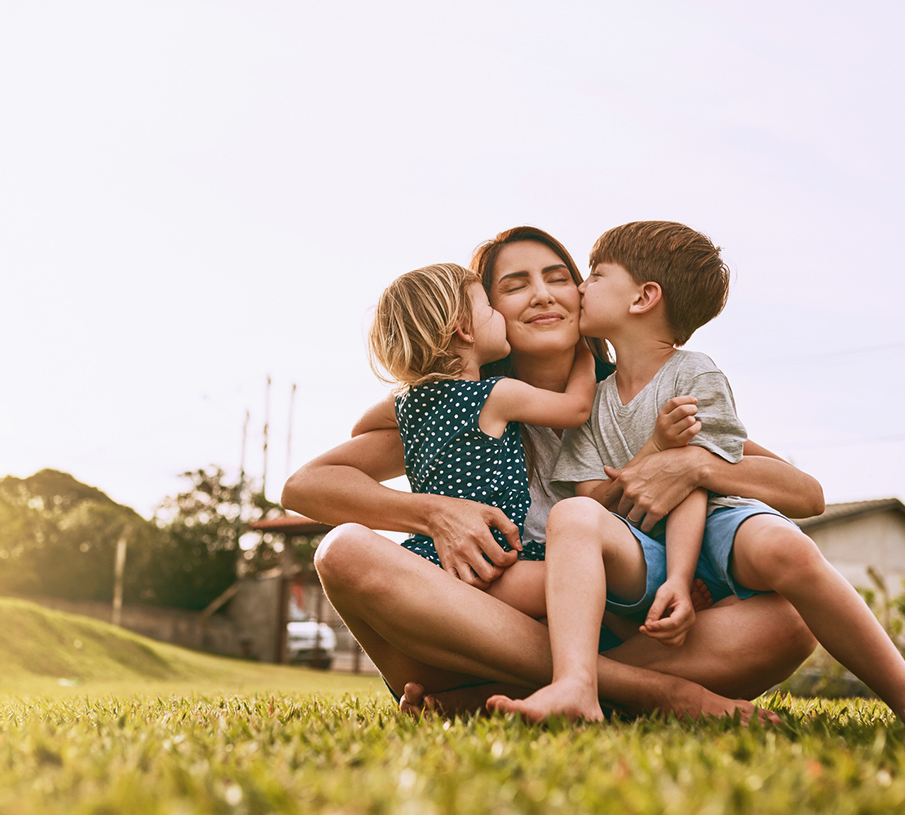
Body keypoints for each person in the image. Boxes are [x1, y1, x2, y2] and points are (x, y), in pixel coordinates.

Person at [487, 221, 905, 735]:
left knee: (788, 551)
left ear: (643, 298)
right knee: (572, 514)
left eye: (588, 276)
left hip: (712, 522)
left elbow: (734, 484)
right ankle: (587, 687)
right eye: (515, 285)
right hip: (635, 559)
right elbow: (595, 504)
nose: (576, 289)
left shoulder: (692, 376)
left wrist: (684, 544)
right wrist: (657, 457)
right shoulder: (576, 404)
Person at [282, 226, 824, 721]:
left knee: (789, 623)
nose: (543, 294)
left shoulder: (643, 397)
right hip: (468, 635)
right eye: (515, 286)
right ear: (479, 315)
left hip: (627, 633)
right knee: (343, 550)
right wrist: (432, 512)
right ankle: (648, 693)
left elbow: (805, 494)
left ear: (583, 296)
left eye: (560, 278)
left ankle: (508, 694)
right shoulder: (465, 407)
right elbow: (307, 485)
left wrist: (692, 462)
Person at [360, 261, 594, 615]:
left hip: (429, 558)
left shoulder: (410, 403)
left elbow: (360, 428)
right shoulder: (495, 395)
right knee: (593, 588)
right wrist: (585, 357)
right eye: (488, 306)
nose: (497, 314)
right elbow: (576, 409)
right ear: (464, 330)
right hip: (493, 564)